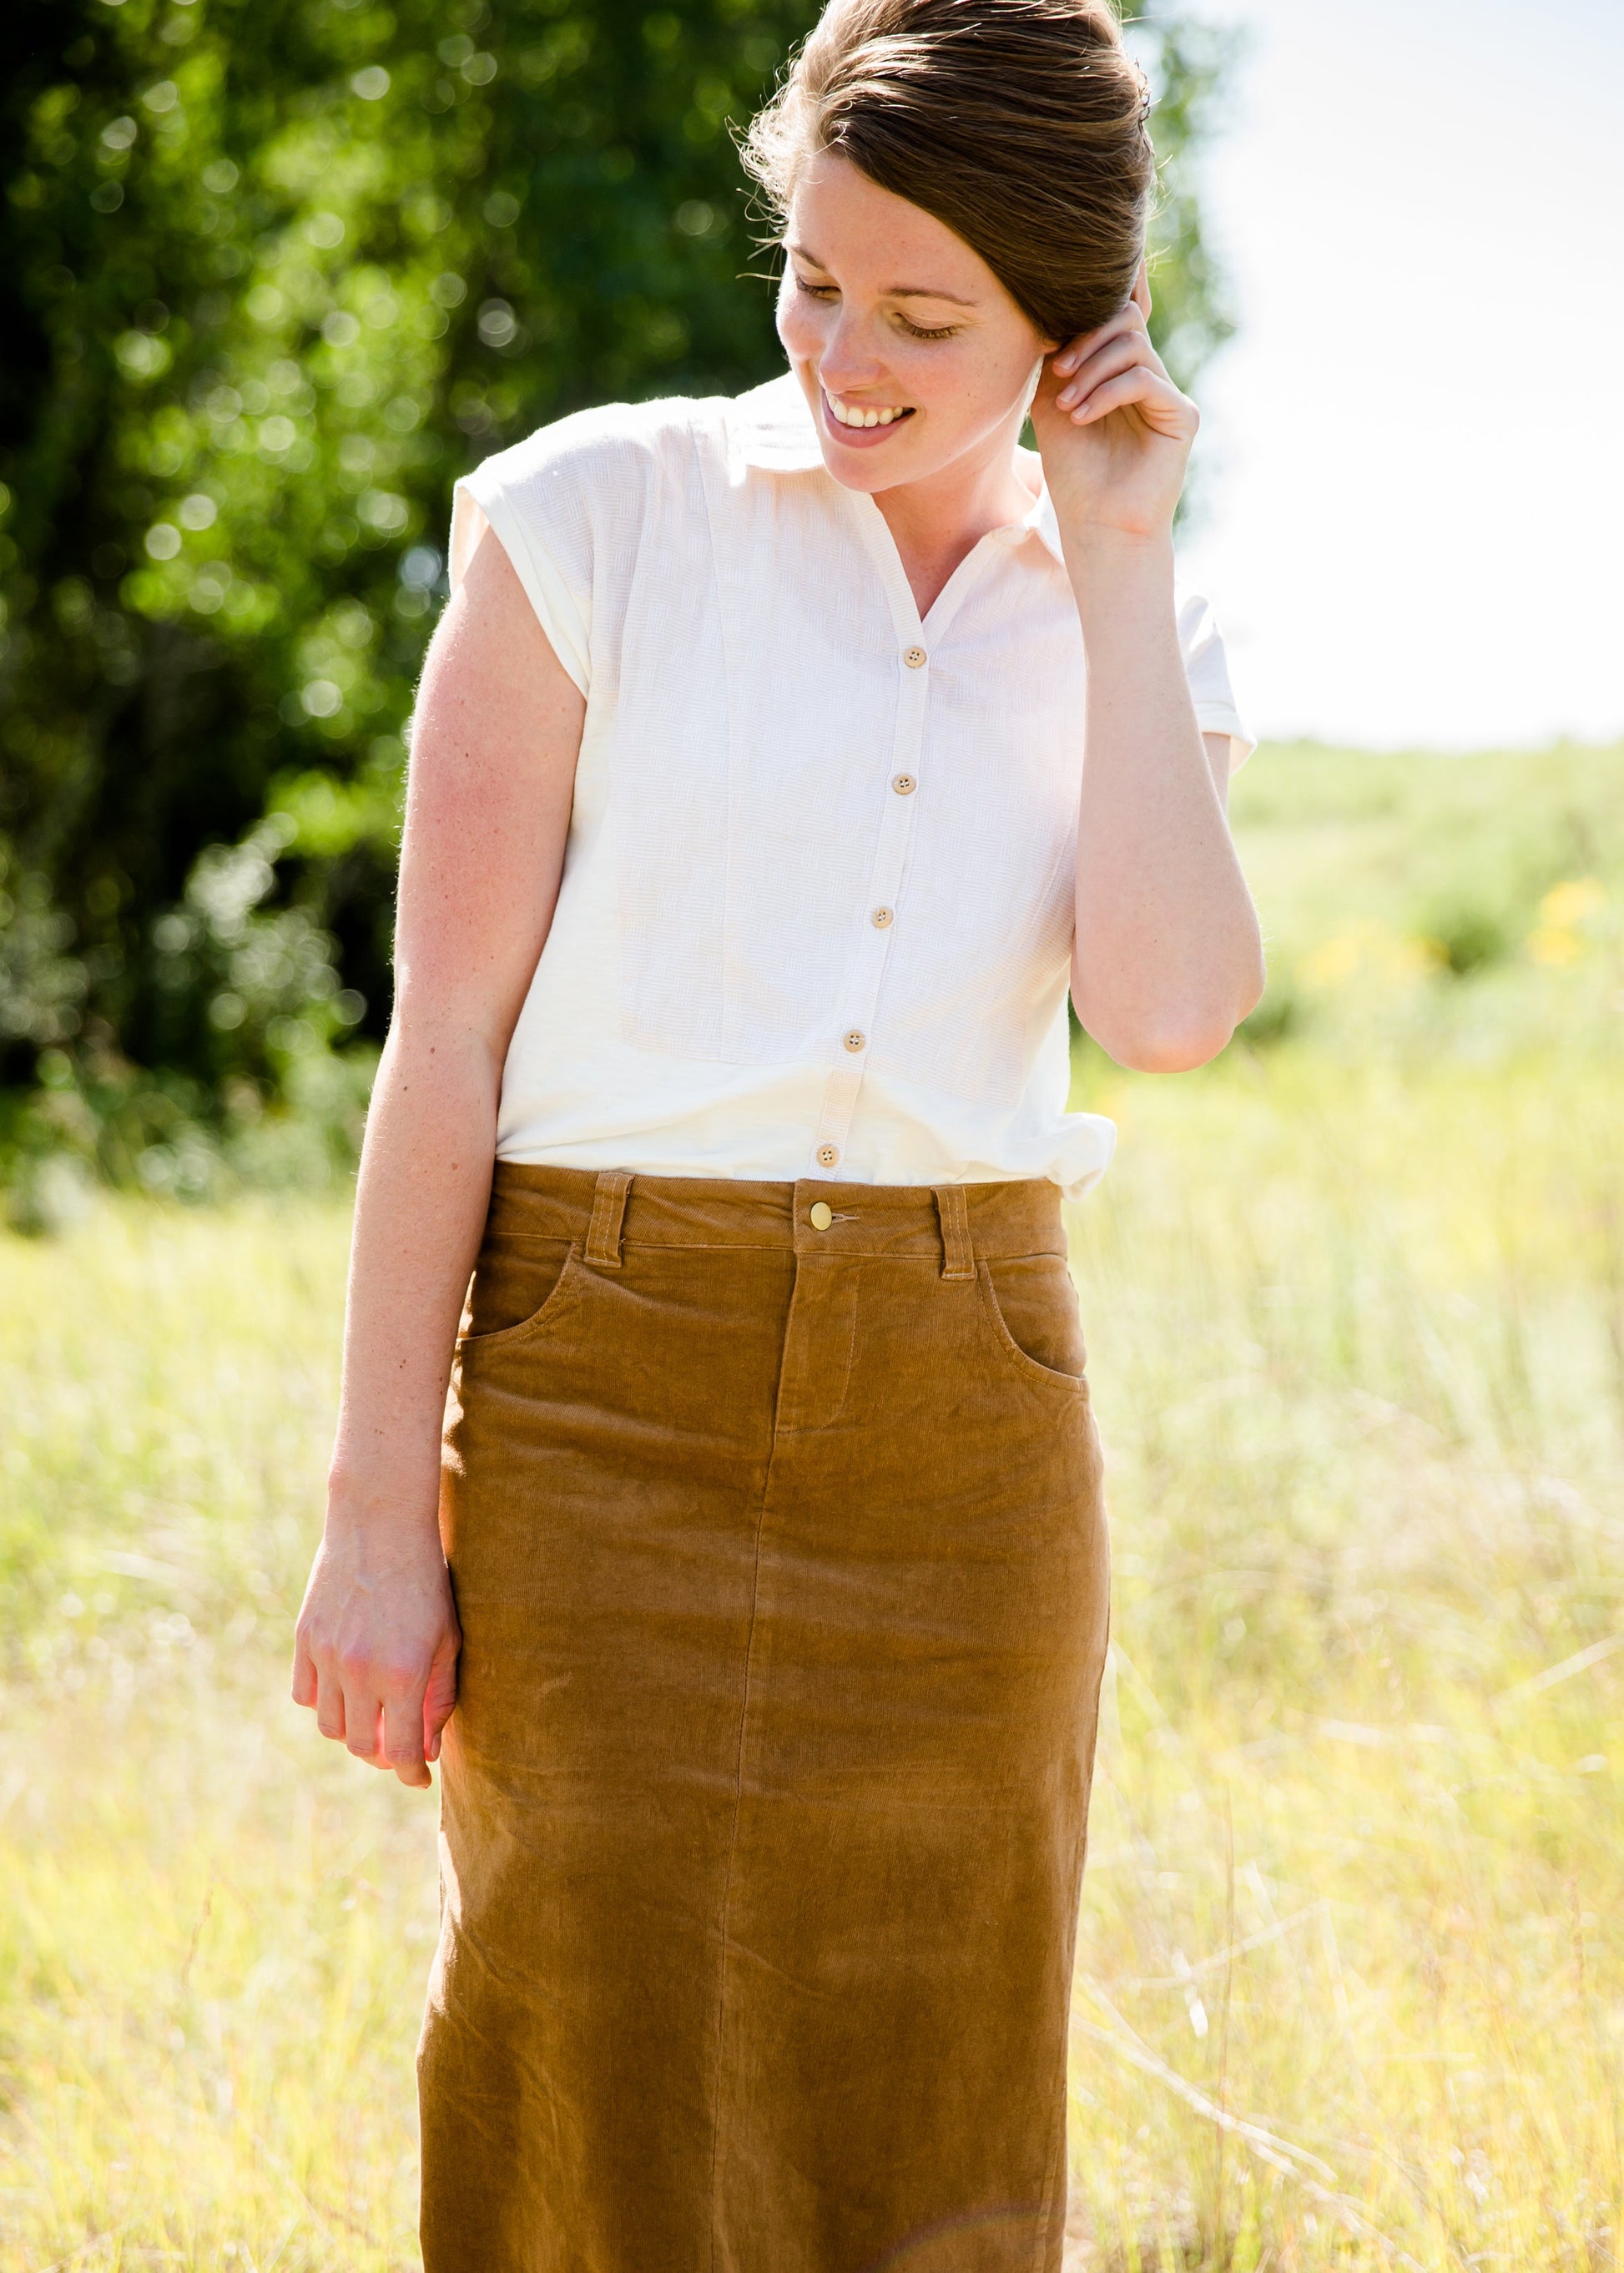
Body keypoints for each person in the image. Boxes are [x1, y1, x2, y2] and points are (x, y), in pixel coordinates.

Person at [292, 0, 1264, 2261]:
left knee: (939, 2060)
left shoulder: (1150, 612)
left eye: (927, 316)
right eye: (814, 279)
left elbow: (1169, 1011)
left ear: (1074, 318)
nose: (845, 349)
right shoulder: (585, 520)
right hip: (591, 1380)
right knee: (578, 2033)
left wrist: (1111, 570)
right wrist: (373, 1508)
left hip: (966, 1415)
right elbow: (440, 1041)